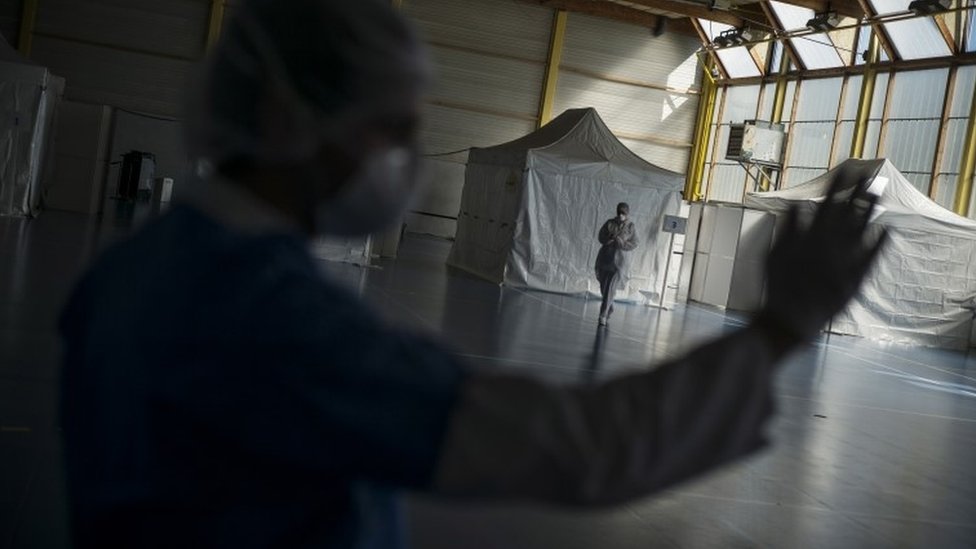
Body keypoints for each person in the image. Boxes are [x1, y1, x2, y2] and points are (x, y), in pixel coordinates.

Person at [58, 1, 888, 547]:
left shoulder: (140, 269)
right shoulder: (269, 318)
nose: (407, 159)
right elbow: (580, 449)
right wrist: (780, 324)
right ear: (284, 116)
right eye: (390, 128)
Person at [595, 202, 639, 326]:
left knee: (610, 288)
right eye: (619, 212)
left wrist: (622, 243)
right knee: (604, 287)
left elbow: (635, 242)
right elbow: (600, 237)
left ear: (627, 213)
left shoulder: (631, 227)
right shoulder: (609, 223)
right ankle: (610, 306)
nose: (621, 215)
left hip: (620, 262)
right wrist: (609, 238)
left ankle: (602, 314)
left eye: (623, 213)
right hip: (605, 258)